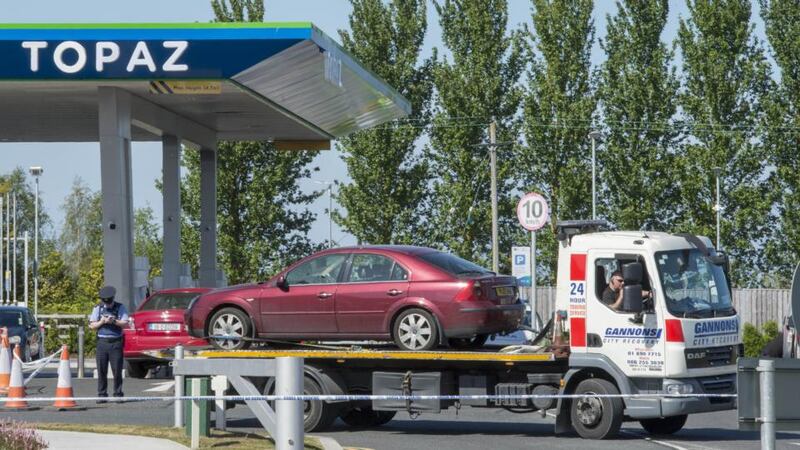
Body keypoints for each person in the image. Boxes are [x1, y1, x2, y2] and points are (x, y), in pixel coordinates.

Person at [88, 286, 129, 402]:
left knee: (117, 370)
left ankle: (118, 394)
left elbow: (126, 323)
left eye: (110, 302)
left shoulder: (120, 307)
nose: (108, 305)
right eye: (106, 302)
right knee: (101, 370)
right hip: (102, 342)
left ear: (113, 299)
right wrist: (102, 321)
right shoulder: (98, 308)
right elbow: (92, 326)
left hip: (116, 342)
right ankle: (102, 394)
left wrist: (114, 321)